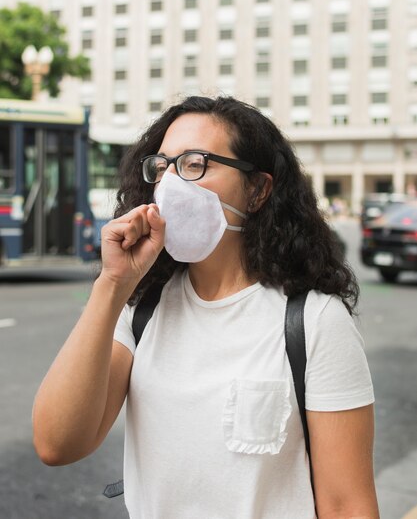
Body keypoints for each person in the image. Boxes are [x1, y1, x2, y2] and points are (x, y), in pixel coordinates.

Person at [33, 96, 379, 519]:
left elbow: (348, 505)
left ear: (258, 190)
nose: (171, 184)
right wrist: (112, 285)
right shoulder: (143, 308)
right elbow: (57, 443)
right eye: (161, 167)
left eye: (195, 163)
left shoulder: (314, 320)